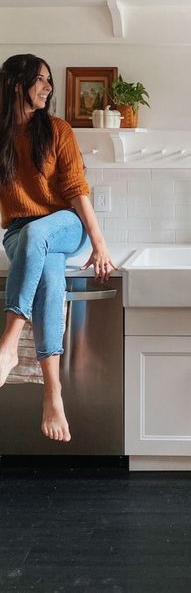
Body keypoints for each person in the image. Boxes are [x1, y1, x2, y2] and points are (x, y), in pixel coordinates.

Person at [0, 53, 117, 443]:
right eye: (41, 80)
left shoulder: (58, 130)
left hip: (66, 224)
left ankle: (9, 344)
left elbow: (77, 191)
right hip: (19, 230)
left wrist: (99, 244)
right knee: (49, 274)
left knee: (40, 235)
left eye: (50, 80)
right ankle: (53, 393)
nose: (49, 88)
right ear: (18, 84)